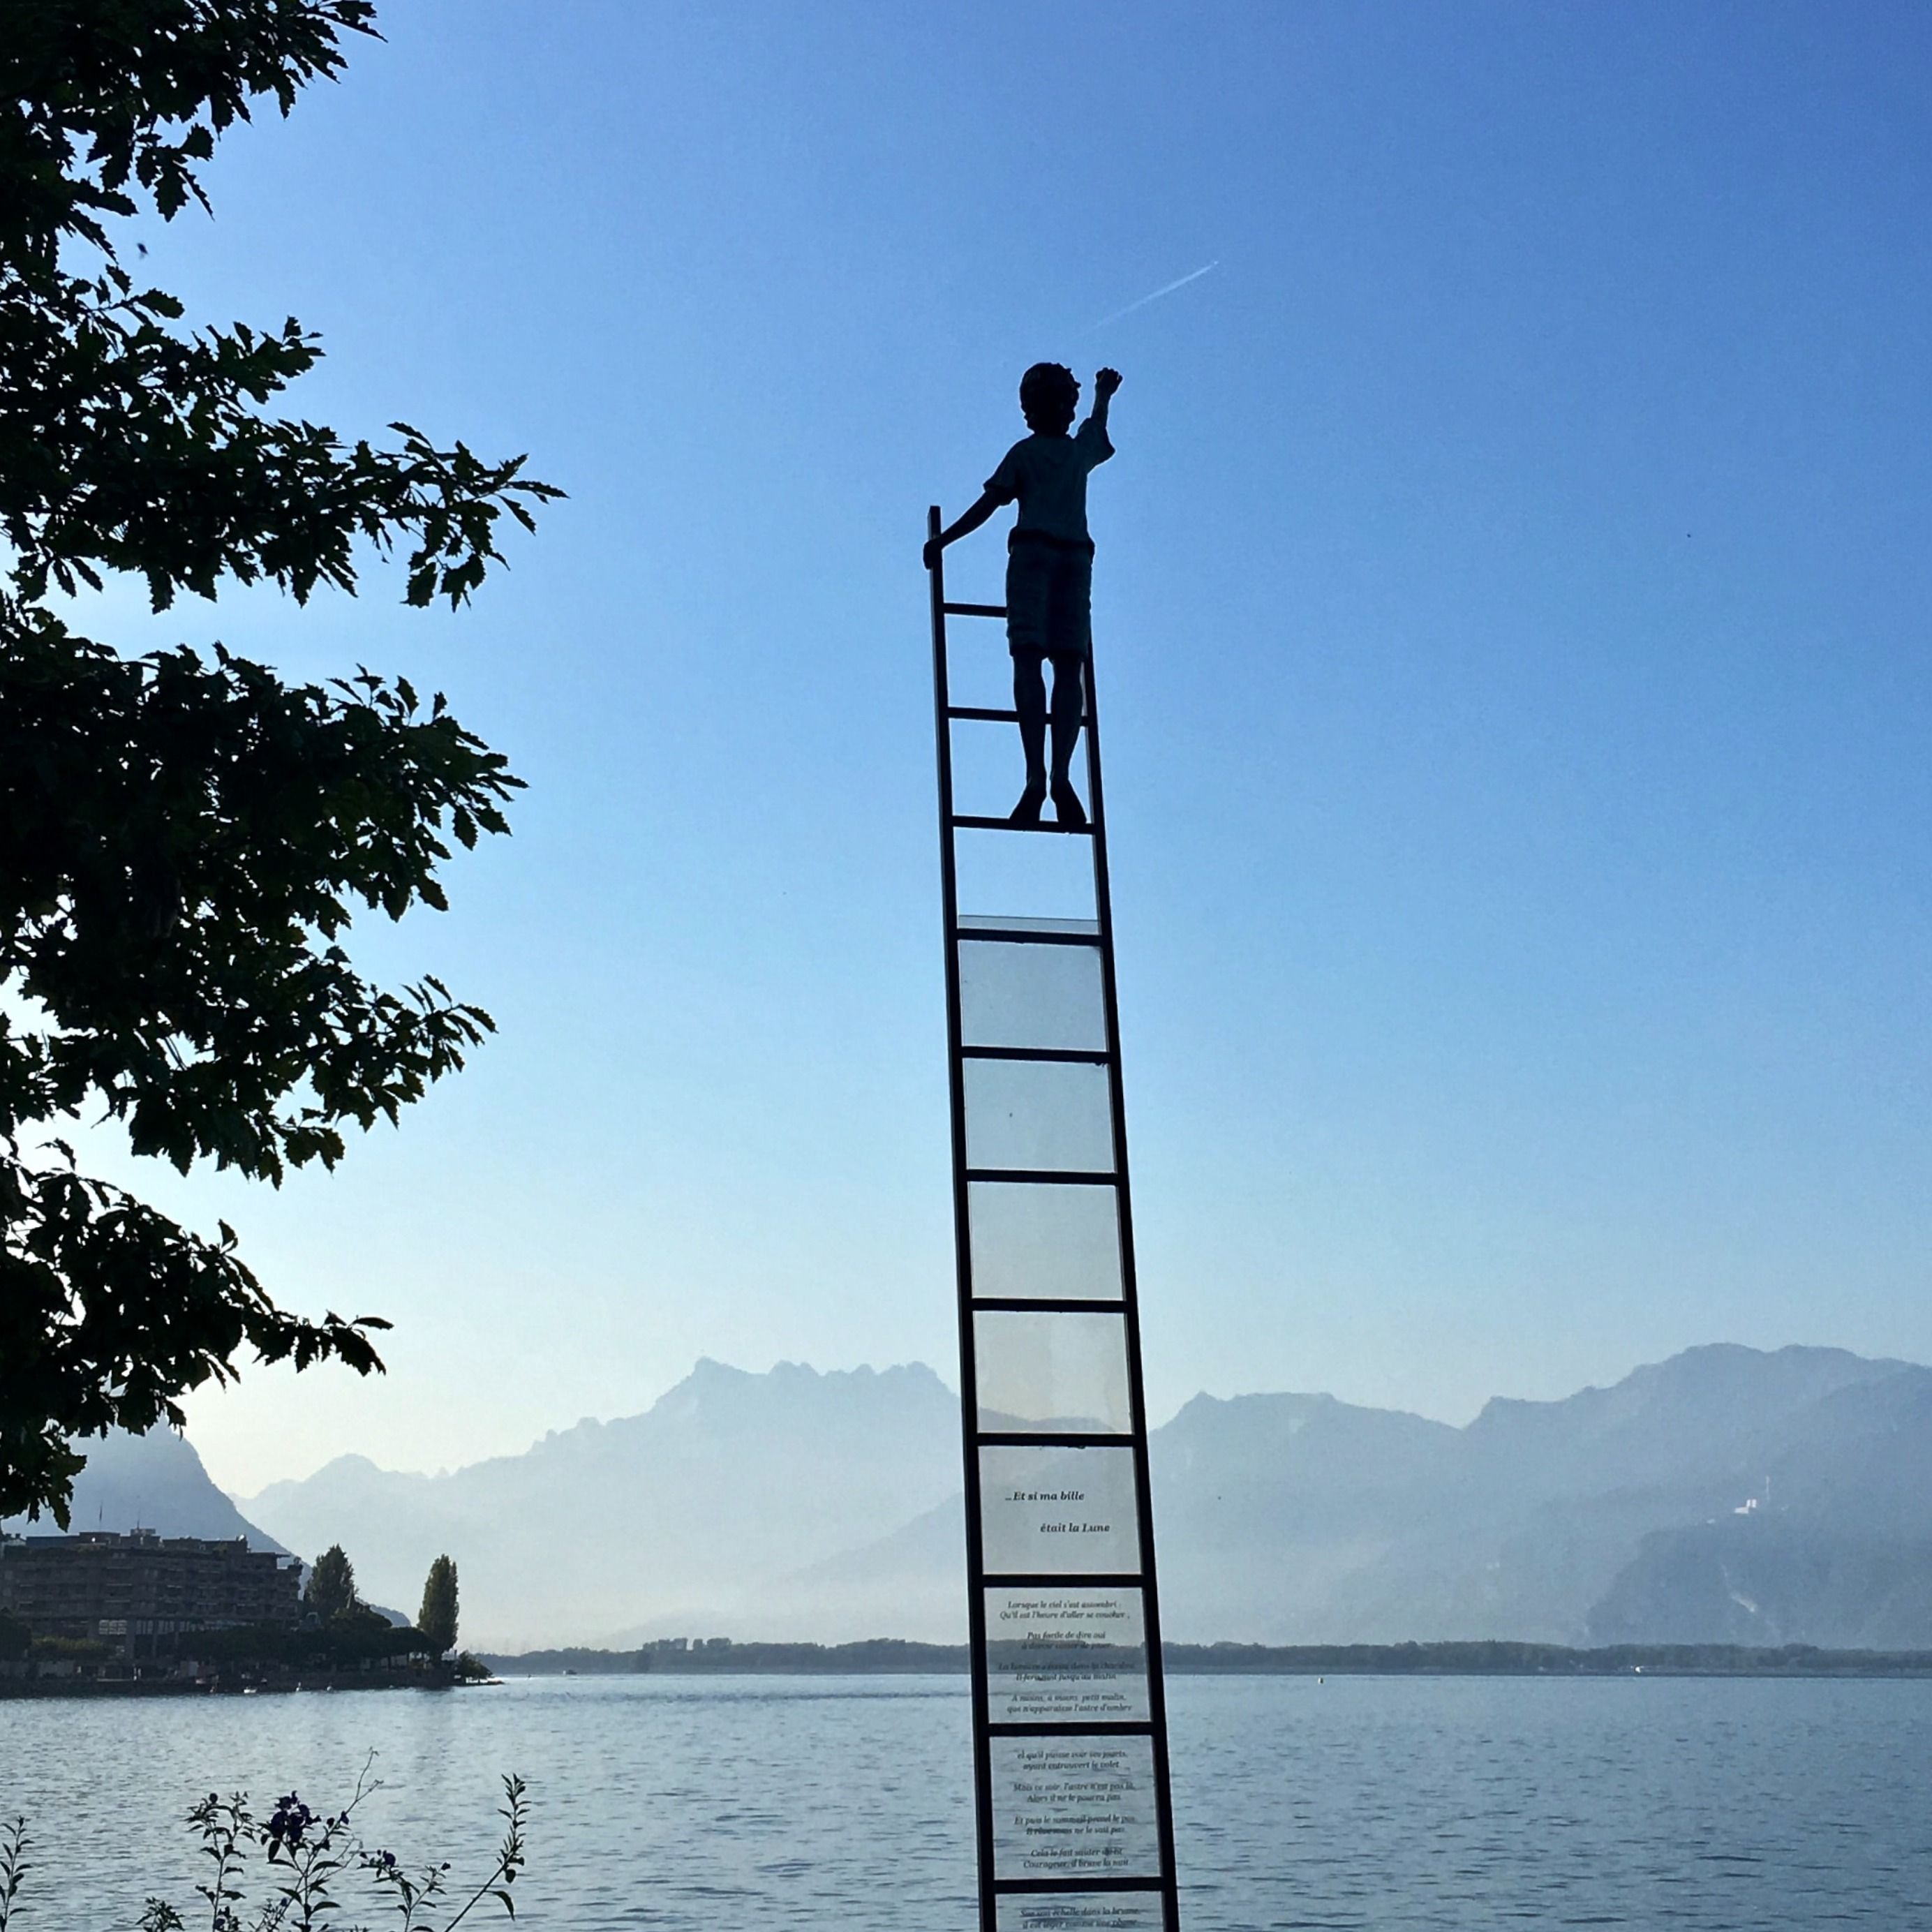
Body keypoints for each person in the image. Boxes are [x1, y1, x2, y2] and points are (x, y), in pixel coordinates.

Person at [924, 364, 1121, 826]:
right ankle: (1051, 776)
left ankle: (1046, 776)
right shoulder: (1065, 454)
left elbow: (991, 503)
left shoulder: (1034, 453)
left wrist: (944, 541)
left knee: (1043, 664)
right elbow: (1096, 429)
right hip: (1068, 557)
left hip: (1044, 556)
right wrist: (1102, 394)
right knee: (1060, 667)